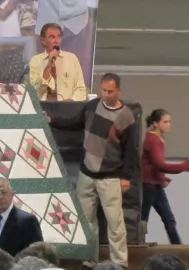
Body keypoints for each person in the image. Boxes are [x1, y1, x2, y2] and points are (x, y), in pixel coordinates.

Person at [43, 73, 138, 268]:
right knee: (87, 220)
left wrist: (126, 177)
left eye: (110, 91)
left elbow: (131, 151)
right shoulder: (93, 106)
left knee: (115, 223)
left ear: (118, 90)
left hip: (110, 175)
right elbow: (74, 123)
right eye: (103, 90)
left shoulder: (126, 117)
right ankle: (89, 259)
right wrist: (52, 120)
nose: (106, 94)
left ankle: (119, 262)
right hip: (87, 172)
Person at [141, 109, 189, 245]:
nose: (169, 125)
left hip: (154, 184)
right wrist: (183, 166)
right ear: (156, 123)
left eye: (169, 122)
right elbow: (159, 164)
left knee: (167, 219)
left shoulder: (156, 138)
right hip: (148, 186)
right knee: (144, 218)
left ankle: (177, 247)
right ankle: (138, 245)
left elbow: (152, 165)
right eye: (165, 122)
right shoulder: (153, 140)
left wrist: (162, 179)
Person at [0, 177, 43, 257]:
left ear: (12, 194)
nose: (0, 197)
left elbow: (37, 256)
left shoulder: (27, 221)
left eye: (4, 192)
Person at [28, 23, 87, 101]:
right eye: (52, 37)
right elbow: (36, 90)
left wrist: (71, 101)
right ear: (43, 40)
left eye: (59, 37)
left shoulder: (72, 58)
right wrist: (50, 62)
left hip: (67, 107)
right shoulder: (35, 60)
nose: (57, 41)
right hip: (43, 107)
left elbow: (81, 89)